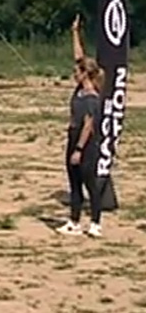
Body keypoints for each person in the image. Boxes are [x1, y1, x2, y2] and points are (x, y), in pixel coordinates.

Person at [58, 15, 106, 237]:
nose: (73, 75)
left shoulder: (91, 97)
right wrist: (75, 32)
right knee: (74, 182)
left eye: (76, 72)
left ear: (85, 74)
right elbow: (79, 57)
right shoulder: (79, 89)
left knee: (89, 182)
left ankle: (95, 223)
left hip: (86, 142)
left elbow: (88, 125)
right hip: (73, 136)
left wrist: (78, 149)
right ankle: (74, 222)